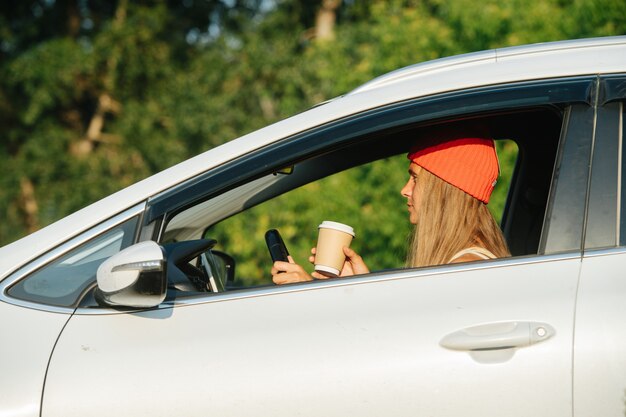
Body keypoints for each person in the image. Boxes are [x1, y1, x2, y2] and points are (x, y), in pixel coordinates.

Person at [271, 131, 511, 285]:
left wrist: (307, 296)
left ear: (443, 190)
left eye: (415, 179)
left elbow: (405, 347)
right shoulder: (465, 262)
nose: (405, 190)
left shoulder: (464, 270)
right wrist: (361, 285)